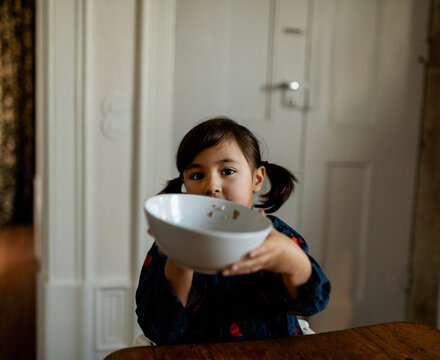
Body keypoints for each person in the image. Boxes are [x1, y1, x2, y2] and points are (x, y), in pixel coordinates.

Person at [135, 117, 330, 345]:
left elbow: (312, 303)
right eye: (197, 176)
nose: (211, 186)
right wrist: (180, 261)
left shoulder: (276, 237)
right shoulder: (169, 245)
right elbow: (159, 331)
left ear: (257, 179)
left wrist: (293, 262)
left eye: (227, 171)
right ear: (184, 187)